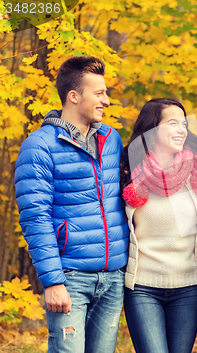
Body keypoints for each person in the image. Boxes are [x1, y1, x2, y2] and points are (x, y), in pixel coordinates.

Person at [14, 56, 129, 352]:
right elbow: (35, 217)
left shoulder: (111, 139)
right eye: (100, 93)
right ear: (74, 96)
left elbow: (158, 155)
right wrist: (52, 282)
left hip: (113, 276)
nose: (107, 100)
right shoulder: (39, 146)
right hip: (70, 278)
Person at [120, 98, 197, 353]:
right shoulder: (129, 169)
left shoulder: (195, 170)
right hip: (143, 288)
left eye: (184, 123)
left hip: (187, 288)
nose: (182, 129)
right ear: (152, 128)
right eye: (173, 123)